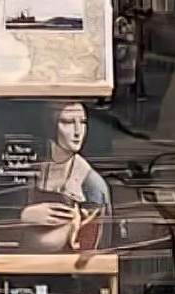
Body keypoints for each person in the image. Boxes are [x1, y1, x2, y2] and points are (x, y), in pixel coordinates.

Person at [17, 99, 111, 254]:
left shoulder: (91, 184)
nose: (77, 131)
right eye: (67, 122)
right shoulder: (30, 167)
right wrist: (23, 216)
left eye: (82, 122)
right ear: (50, 125)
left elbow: (95, 246)